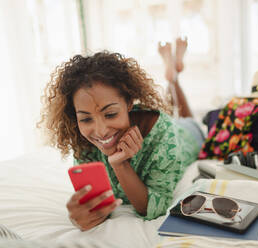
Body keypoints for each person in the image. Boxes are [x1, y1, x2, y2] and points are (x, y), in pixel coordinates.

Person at [38, 37, 203, 231]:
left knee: (188, 119)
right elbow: (99, 203)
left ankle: (173, 79)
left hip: (188, 136)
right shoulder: (82, 141)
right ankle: (172, 74)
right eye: (86, 119)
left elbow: (153, 208)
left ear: (129, 103)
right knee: (178, 113)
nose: (100, 131)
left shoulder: (162, 132)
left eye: (110, 114)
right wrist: (80, 217)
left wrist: (120, 164)